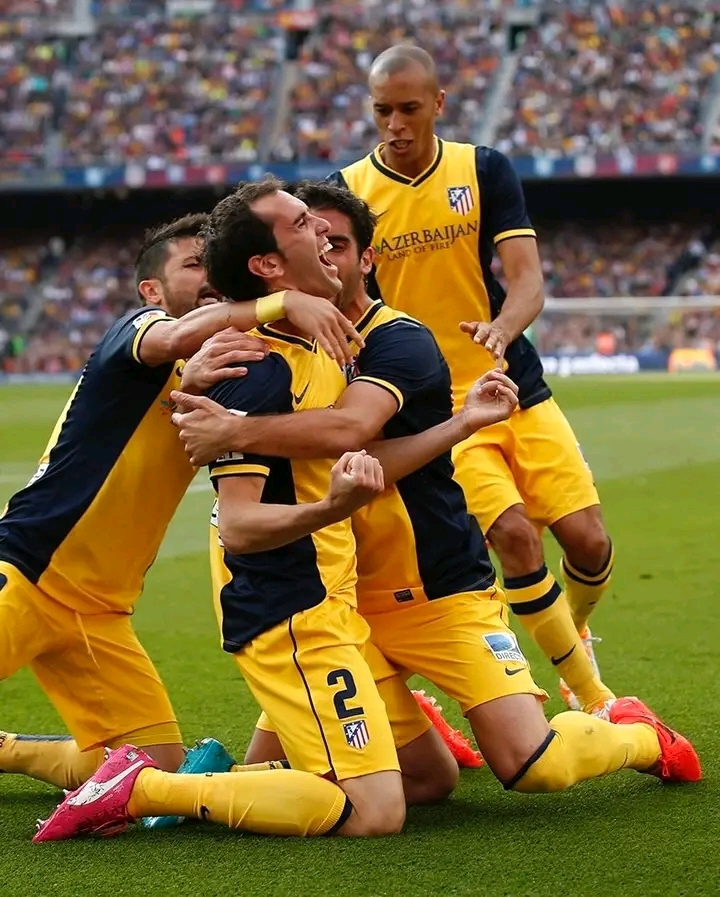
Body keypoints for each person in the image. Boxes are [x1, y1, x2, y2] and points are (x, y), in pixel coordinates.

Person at [171, 183, 702, 798]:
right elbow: (193, 329)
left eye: (337, 242)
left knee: (535, 766)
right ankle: (400, 728)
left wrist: (235, 430)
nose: (325, 247)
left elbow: (350, 437)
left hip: (434, 589)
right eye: (312, 234)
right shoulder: (289, 344)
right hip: (339, 597)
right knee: (374, 775)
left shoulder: (398, 340)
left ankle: (637, 735)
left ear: (367, 259)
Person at [34, 178, 459, 843]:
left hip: (333, 604)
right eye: (302, 224)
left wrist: (463, 424)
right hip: (291, 609)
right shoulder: (253, 367)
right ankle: (142, 787)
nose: (323, 231)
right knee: (377, 813)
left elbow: (347, 436)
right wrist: (333, 506)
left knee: (430, 778)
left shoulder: (317, 345)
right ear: (267, 265)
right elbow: (238, 526)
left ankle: (227, 774)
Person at [0, 213, 364, 795]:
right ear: (152, 289)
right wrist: (282, 301)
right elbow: (170, 342)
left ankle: (9, 751)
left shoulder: (224, 366)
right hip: (28, 571)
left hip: (101, 609)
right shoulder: (137, 329)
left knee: (150, 769)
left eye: (211, 263)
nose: (209, 276)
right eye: (193, 265)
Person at [329, 44, 616, 713]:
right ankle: (592, 694)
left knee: (590, 542)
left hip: (513, 384)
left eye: (408, 108)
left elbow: (527, 279)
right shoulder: (348, 192)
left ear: (438, 103)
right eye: (381, 111)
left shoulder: (482, 169)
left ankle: (573, 629)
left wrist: (502, 329)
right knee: (513, 535)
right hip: (438, 408)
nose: (395, 124)